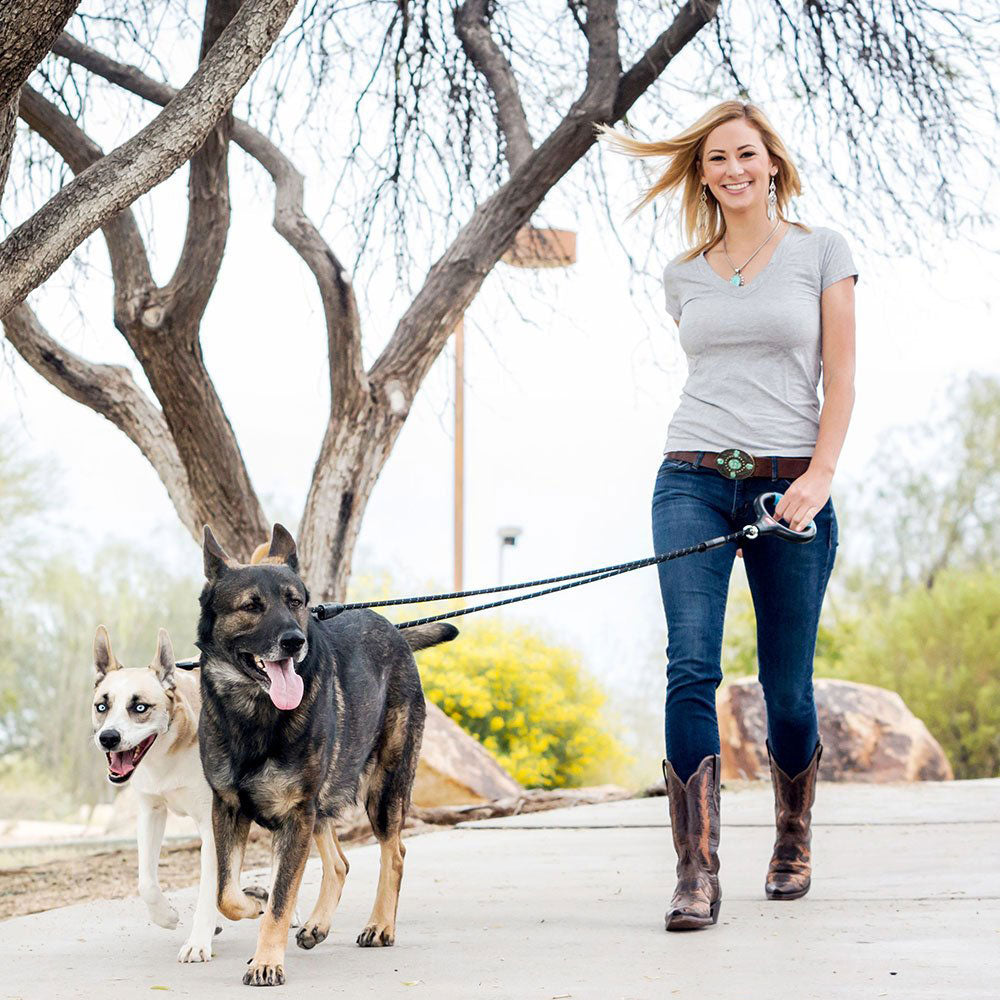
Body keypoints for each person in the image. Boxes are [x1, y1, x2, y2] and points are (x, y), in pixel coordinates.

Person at [598, 102, 857, 931]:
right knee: (691, 668)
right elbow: (718, 373)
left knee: (786, 686)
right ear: (701, 172)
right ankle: (695, 870)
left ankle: (792, 834)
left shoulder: (823, 252)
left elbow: (842, 380)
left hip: (791, 486)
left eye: (747, 155)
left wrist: (818, 476)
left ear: (772, 164)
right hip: (694, 477)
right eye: (717, 159)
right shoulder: (683, 273)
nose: (733, 169)